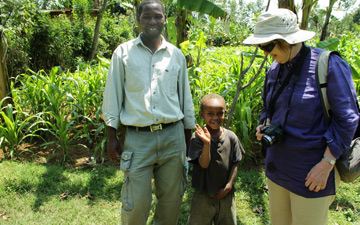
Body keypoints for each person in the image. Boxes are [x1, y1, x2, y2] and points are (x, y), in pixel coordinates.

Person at [243, 8, 359, 225]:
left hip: (312, 172)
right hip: (277, 168)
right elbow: (267, 108)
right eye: (261, 46)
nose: (266, 53)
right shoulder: (274, 70)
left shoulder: (328, 65)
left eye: (268, 45)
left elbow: (348, 118)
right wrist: (265, 124)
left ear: (286, 40)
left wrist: (326, 163)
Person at [101, 0, 196, 224]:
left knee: (171, 202)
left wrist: (188, 138)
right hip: (138, 139)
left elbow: (185, 97)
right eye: (147, 17)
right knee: (136, 204)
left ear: (164, 19)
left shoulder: (176, 55)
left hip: (173, 138)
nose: (152, 21)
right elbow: (113, 94)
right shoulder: (123, 53)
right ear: (138, 20)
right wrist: (111, 135)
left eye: (157, 16)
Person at [187, 93, 244, 225]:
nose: (215, 118)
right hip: (203, 196)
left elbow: (235, 162)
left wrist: (229, 186)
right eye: (210, 114)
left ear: (225, 113)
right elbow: (204, 164)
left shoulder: (231, 137)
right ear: (202, 115)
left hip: (226, 195)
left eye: (220, 113)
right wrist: (207, 143)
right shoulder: (197, 138)